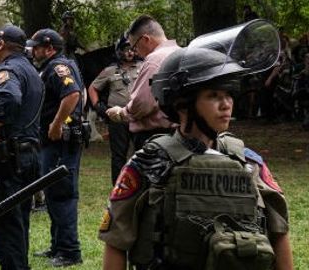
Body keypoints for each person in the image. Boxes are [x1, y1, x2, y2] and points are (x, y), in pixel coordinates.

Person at [99, 47, 292, 270]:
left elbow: (279, 232)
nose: (226, 104)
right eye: (213, 96)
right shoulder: (149, 163)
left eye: (228, 94)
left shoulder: (248, 163)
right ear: (182, 106)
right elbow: (116, 240)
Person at [0, 25, 43, 270]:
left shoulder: (8, 70)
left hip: (7, 159)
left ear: (1, 44)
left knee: (4, 225)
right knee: (19, 221)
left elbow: (10, 99)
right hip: (27, 154)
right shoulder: (31, 70)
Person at [26, 29, 86, 266]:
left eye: (37, 46)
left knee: (62, 195)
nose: (33, 50)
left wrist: (56, 124)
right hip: (52, 143)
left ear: (49, 48)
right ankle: (57, 246)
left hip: (61, 142)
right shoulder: (49, 67)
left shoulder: (58, 67)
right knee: (52, 193)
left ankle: (70, 251)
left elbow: (72, 95)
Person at [106, 16, 181, 146]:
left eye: (134, 47)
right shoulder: (180, 52)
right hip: (176, 134)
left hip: (154, 138)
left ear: (146, 39)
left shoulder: (154, 60)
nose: (136, 53)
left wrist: (121, 113)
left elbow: (143, 103)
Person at [89, 36, 140, 183]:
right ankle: (118, 187)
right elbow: (93, 87)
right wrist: (97, 105)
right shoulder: (110, 70)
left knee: (141, 152)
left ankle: (139, 185)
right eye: (126, 50)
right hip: (117, 118)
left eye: (132, 49)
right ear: (119, 51)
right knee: (118, 155)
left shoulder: (143, 67)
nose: (130, 53)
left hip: (138, 116)